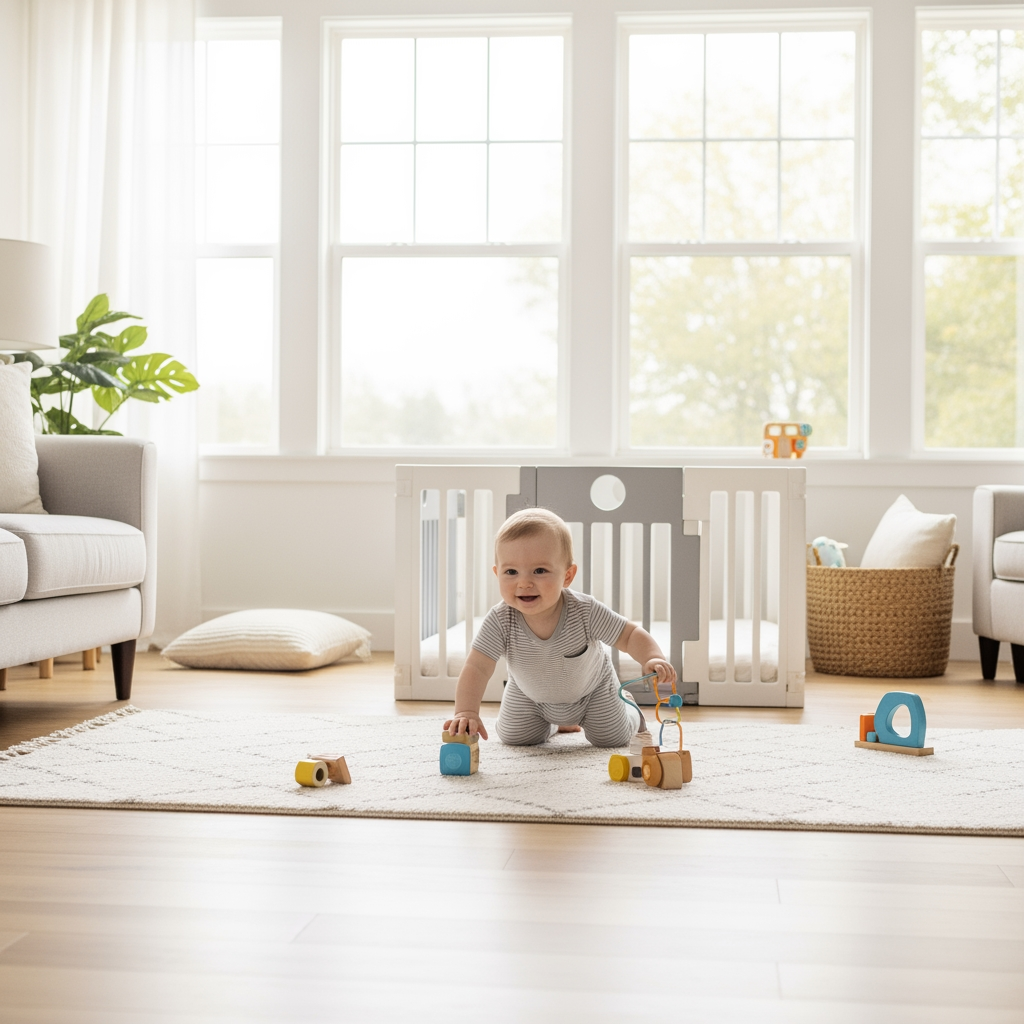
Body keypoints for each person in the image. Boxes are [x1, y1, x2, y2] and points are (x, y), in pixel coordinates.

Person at [444, 507, 678, 747]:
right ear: (497, 574)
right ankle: (554, 723)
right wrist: (466, 712)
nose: (524, 582)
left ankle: (629, 708)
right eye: (511, 572)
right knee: (514, 737)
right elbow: (477, 667)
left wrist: (652, 657)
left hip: (592, 692)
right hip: (529, 695)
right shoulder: (500, 619)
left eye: (540, 571)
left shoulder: (584, 610)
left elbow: (628, 635)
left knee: (612, 738)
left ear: (567, 576)